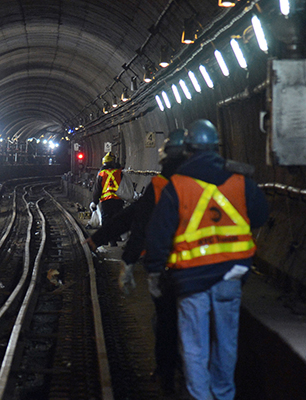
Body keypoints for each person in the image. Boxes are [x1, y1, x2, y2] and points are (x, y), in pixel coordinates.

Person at [144, 119, 269, 400]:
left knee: (194, 345)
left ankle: (199, 395)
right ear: (216, 147)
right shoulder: (239, 180)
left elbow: (158, 234)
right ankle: (223, 394)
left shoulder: (177, 185)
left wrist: (154, 273)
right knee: (226, 342)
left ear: (187, 150)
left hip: (192, 279)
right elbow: (261, 215)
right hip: (231, 275)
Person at [85, 129, 187, 394]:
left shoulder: (161, 185)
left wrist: (125, 257)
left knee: (164, 322)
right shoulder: (214, 182)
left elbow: (138, 220)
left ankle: (167, 373)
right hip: (213, 272)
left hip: (170, 268)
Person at [91, 151, 125, 246]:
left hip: (106, 201)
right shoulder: (119, 172)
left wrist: (94, 201)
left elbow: (97, 189)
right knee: (116, 221)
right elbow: (125, 186)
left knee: (106, 221)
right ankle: (113, 240)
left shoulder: (101, 174)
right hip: (118, 200)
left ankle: (105, 240)